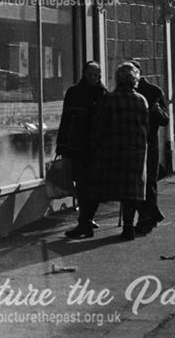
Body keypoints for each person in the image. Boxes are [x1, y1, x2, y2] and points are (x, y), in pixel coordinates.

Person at [91, 62, 150, 241]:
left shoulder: (109, 99)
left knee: (119, 187)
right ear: (134, 80)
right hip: (136, 149)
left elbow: (100, 125)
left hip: (115, 148)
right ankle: (129, 225)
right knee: (131, 191)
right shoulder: (141, 100)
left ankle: (91, 220)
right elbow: (146, 126)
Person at [58, 61, 107, 239]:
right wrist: (62, 145)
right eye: (91, 75)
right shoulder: (74, 93)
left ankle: (85, 221)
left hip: (95, 148)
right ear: (84, 74)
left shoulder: (102, 93)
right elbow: (66, 119)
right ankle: (85, 221)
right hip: (78, 147)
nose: (94, 78)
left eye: (97, 75)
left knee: (92, 186)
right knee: (82, 185)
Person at [130, 59, 170, 234]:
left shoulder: (153, 91)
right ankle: (149, 215)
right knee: (141, 183)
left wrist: (155, 110)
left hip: (148, 142)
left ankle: (147, 217)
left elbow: (165, 119)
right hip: (136, 143)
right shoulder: (127, 92)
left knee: (148, 182)